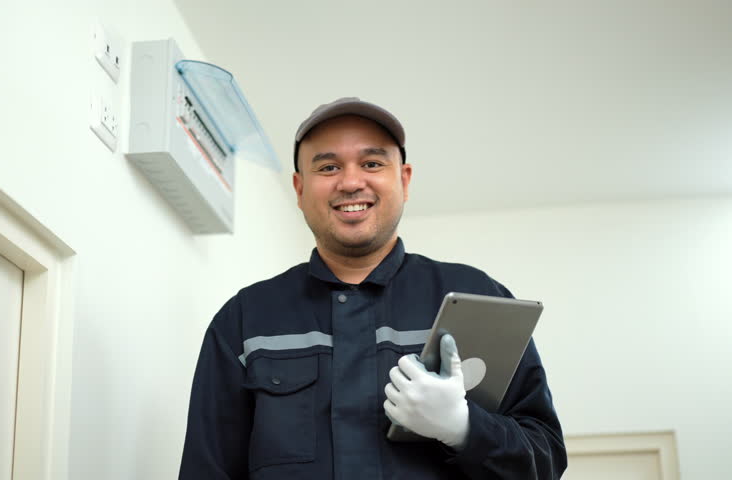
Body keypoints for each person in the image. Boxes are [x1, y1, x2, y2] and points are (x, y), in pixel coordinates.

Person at [178, 97, 567, 479]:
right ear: (299, 189)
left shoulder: (479, 298)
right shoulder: (245, 321)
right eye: (328, 167)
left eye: (372, 163)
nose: (350, 182)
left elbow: (545, 459)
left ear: (404, 179)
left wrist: (465, 428)